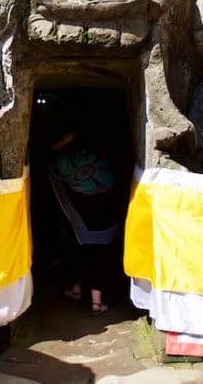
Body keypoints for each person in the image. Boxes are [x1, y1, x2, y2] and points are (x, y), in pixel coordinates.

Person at [47, 130, 122, 316]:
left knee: (77, 248)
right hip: (106, 213)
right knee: (100, 255)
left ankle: (76, 289)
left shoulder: (67, 161)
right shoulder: (109, 156)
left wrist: (53, 148)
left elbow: (52, 161)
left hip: (79, 213)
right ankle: (96, 303)